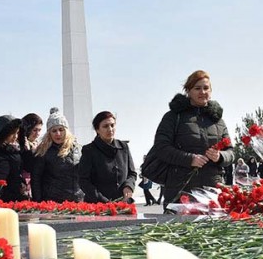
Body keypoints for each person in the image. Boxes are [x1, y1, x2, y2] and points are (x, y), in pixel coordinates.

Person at [148, 70, 234, 206]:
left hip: (213, 192)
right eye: (197, 88)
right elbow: (161, 148)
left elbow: (231, 152)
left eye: (206, 88)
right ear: (188, 91)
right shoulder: (173, 117)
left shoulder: (217, 120)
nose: (202, 92)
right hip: (180, 191)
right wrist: (190, 159)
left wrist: (220, 156)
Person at [79, 110, 137, 203]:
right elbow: (83, 180)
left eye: (112, 125)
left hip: (123, 204)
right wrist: (104, 201)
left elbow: (132, 173)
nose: (110, 129)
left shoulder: (124, 147)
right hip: (98, 206)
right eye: (105, 126)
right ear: (97, 129)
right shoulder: (89, 150)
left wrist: (128, 186)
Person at [32, 108, 83, 203]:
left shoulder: (79, 149)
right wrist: (38, 202)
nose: (58, 134)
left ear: (66, 130)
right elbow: (36, 179)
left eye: (61, 129)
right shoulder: (43, 152)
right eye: (54, 131)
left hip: (77, 201)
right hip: (52, 203)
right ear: (49, 133)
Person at [19, 112, 44, 197]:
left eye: (39, 130)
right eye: (34, 130)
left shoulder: (39, 145)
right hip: (23, 187)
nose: (37, 133)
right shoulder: (19, 146)